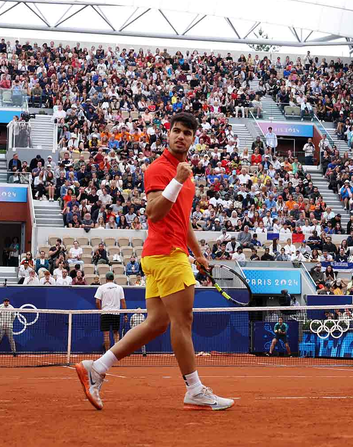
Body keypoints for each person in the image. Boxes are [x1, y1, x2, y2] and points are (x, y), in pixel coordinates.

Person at [75, 112, 234, 411]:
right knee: (182, 321)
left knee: (157, 322)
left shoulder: (185, 175)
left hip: (165, 254)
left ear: (193, 138)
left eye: (187, 132)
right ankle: (195, 389)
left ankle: (97, 367)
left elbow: (182, 220)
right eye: (176, 131)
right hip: (166, 255)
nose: (181, 136)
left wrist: (198, 253)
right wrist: (177, 180)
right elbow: (154, 212)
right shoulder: (160, 169)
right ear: (168, 134)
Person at [95, 272, 127, 351]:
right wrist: (125, 314)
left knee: (106, 334)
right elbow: (123, 302)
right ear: (113, 279)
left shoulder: (101, 288)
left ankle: (107, 354)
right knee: (116, 333)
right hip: (116, 313)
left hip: (105, 313)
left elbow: (97, 302)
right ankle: (116, 353)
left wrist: (100, 311)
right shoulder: (119, 288)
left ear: (106, 279)